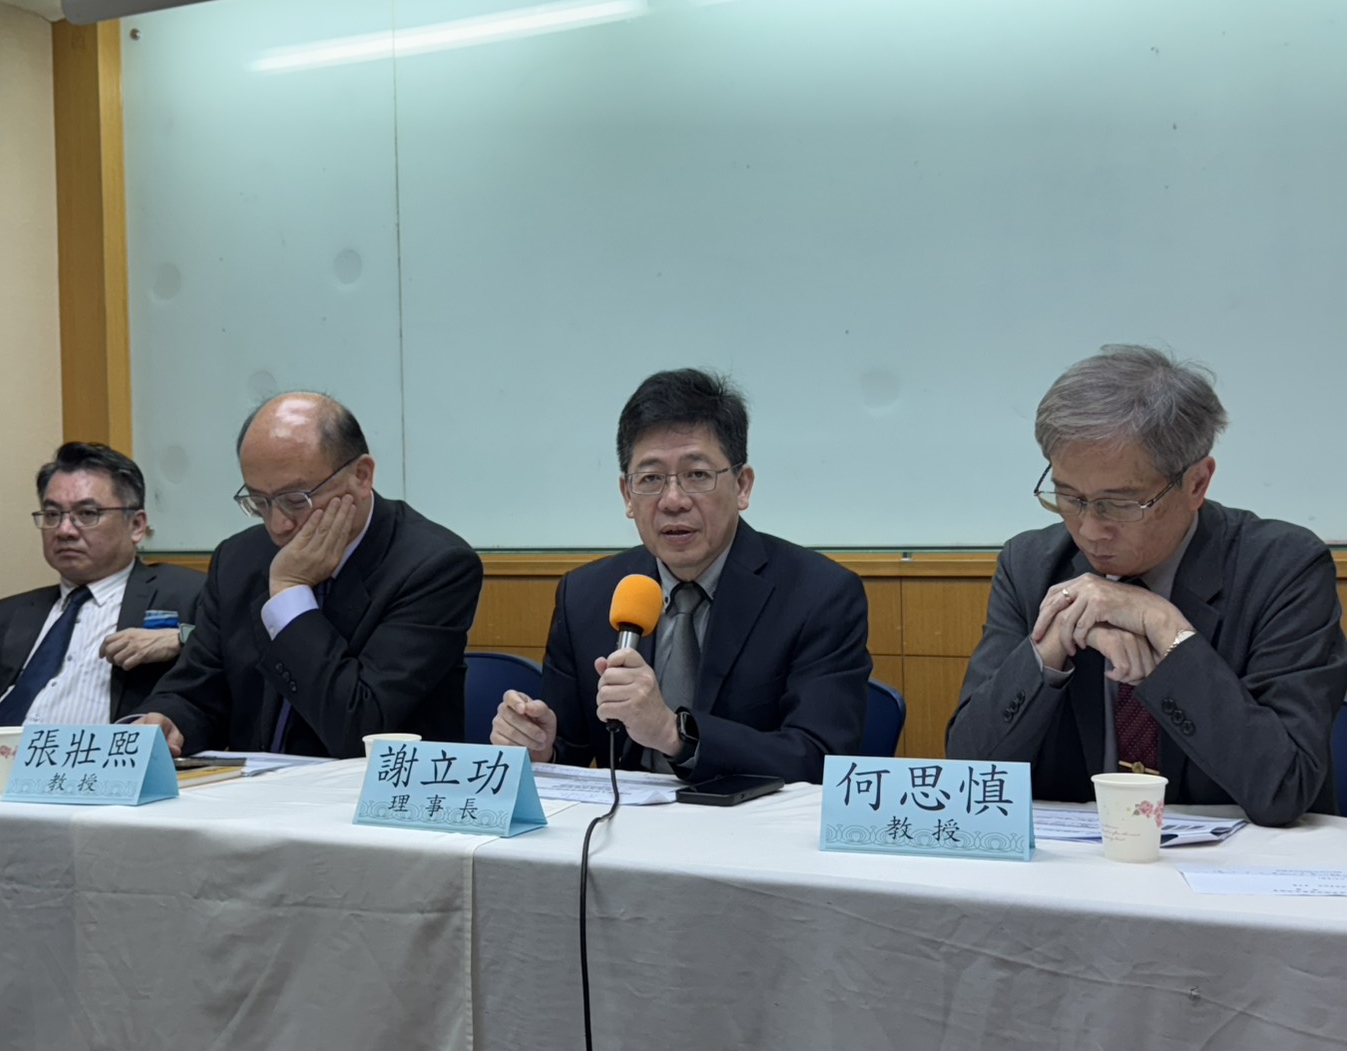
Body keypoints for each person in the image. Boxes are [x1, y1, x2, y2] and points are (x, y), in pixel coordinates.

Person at [947, 345, 1347, 826]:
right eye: (1069, 497)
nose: (1090, 529)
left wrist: (1167, 629)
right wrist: (1048, 650)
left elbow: (1283, 787)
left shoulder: (1282, 568)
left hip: (1237, 862)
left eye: (1120, 504)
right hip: (1074, 861)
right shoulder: (1032, 566)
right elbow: (970, 773)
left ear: (1196, 483)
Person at [491, 368, 870, 784]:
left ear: (742, 486)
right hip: (625, 823)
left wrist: (674, 733)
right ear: (627, 496)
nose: (673, 500)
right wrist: (542, 749)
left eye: (697, 475)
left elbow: (820, 759)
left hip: (752, 822)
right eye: (651, 479)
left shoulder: (819, 595)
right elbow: (572, 755)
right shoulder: (585, 595)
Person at [131, 392, 483, 757]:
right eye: (259, 502)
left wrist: (289, 591)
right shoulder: (237, 559)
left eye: (296, 500)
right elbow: (197, 690)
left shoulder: (434, 566)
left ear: (361, 475)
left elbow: (359, 725)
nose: (278, 525)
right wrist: (169, 718)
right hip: (252, 787)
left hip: (368, 787)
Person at [0, 443, 204, 740]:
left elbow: (227, 650)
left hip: (102, 771)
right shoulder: (7, 615)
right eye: (52, 514)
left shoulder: (186, 593)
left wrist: (183, 638)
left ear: (137, 525)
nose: (64, 530)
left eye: (87, 514)